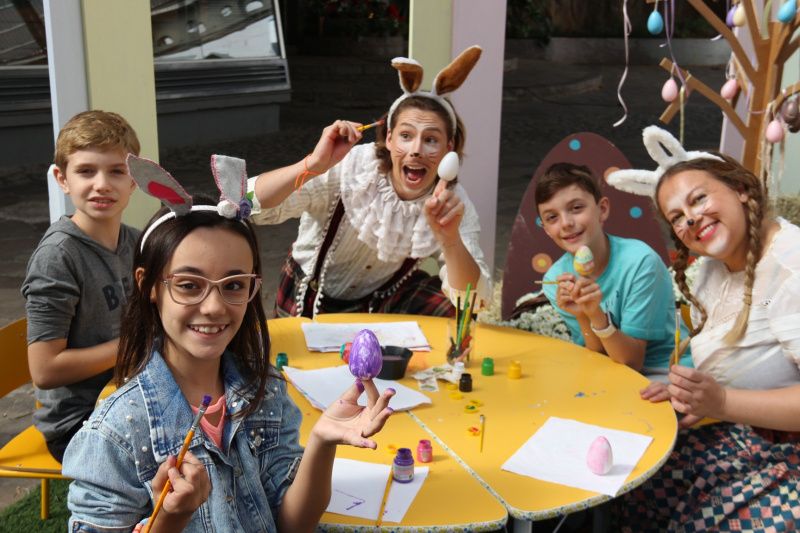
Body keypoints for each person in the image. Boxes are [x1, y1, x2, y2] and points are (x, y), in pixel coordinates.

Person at [62, 155, 395, 533]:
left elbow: (292, 525)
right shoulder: (117, 432)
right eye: (189, 285)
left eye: (234, 285)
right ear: (149, 285)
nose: (215, 306)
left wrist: (321, 441)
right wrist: (171, 517)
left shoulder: (264, 390)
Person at [608, 126, 800, 531]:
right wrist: (692, 393)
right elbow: (747, 357)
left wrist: (723, 402)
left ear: (742, 189)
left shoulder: (790, 270)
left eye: (699, 198)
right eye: (677, 217)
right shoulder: (713, 269)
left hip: (787, 453)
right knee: (633, 479)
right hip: (744, 431)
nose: (691, 218)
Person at [248, 45, 491, 318]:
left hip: (384, 298)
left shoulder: (452, 202)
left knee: (455, 310)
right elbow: (248, 204)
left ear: (449, 147)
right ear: (388, 138)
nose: (416, 150)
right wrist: (312, 165)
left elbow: (472, 300)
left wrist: (450, 240)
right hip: (309, 294)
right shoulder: (350, 169)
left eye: (431, 139)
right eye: (406, 135)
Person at [21, 110, 140, 462]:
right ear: (62, 178)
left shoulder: (136, 241)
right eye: (86, 171)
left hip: (126, 393)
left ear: (134, 180)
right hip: (77, 421)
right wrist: (135, 345)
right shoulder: (58, 256)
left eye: (116, 171)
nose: (102, 184)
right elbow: (44, 370)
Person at [536, 162, 690, 378]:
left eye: (576, 208)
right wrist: (582, 315)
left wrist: (596, 314)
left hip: (665, 372)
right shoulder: (555, 279)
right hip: (612, 374)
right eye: (552, 217)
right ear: (546, 229)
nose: (566, 223)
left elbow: (631, 361)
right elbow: (597, 354)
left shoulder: (640, 263)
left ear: (602, 209)